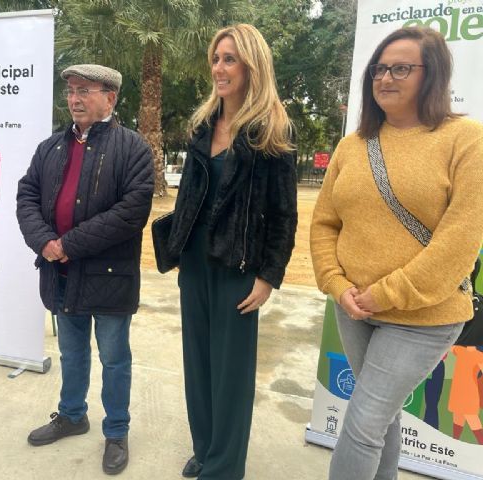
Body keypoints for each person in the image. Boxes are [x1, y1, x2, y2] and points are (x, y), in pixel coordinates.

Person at [310, 26, 483, 480]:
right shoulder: (352, 145)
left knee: (363, 422)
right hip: (355, 309)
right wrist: (336, 283)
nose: (386, 78)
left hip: (426, 314)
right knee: (380, 419)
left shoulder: (466, 140)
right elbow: (325, 223)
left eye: (401, 68)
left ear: (433, 74)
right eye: (379, 69)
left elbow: (460, 241)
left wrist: (386, 293)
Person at [165, 24, 297, 479]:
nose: (219, 68)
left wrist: (269, 275)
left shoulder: (271, 130)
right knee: (198, 365)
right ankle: (206, 450)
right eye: (216, 59)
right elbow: (189, 197)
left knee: (231, 375)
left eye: (230, 59)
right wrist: (177, 245)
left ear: (252, 65)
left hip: (240, 268)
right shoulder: (203, 124)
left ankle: (223, 469)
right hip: (196, 264)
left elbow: (284, 214)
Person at [17, 64, 154, 475]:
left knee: (114, 358)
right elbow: (26, 194)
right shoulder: (51, 148)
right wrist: (44, 241)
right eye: (71, 91)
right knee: (71, 352)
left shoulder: (133, 148)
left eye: (84, 91)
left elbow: (132, 212)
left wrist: (67, 245)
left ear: (110, 98)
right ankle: (72, 415)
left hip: (109, 277)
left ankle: (116, 430)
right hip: (61, 274)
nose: (74, 99)